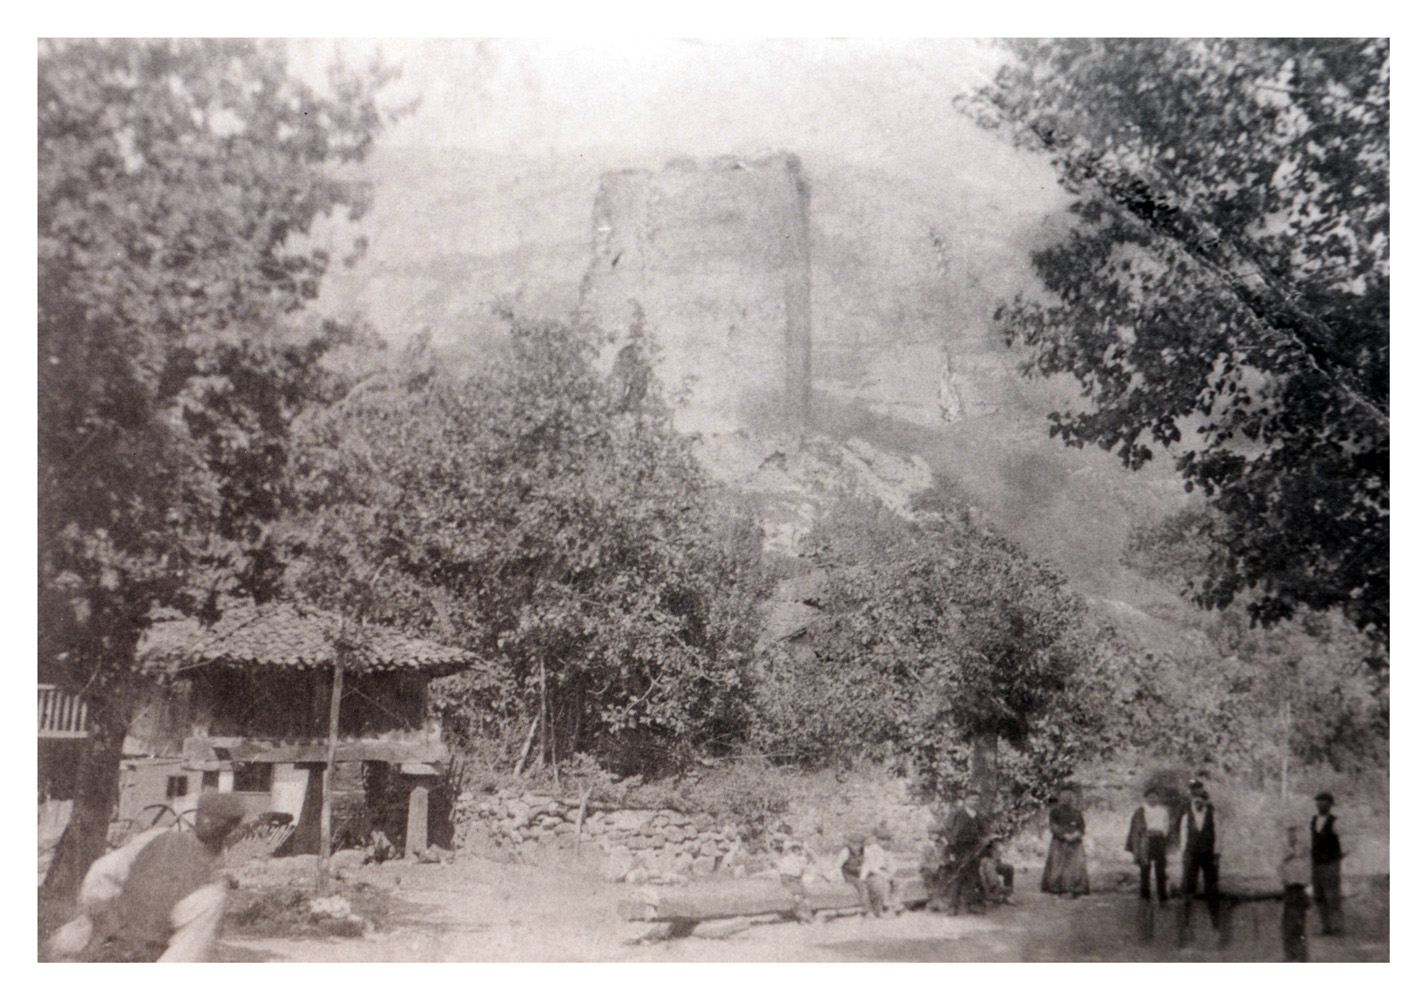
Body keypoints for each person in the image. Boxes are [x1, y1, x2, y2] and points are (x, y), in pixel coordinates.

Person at [49, 791, 247, 962]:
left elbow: (101, 873)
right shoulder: (211, 890)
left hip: (104, 948)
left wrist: (97, 920)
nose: (211, 822)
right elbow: (185, 956)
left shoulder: (156, 837)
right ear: (232, 828)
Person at [1176, 779, 1221, 942]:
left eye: (1200, 794)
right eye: (1194, 794)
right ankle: (1185, 926)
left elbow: (1219, 832)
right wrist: (1184, 854)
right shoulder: (1186, 811)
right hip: (1191, 853)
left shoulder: (1211, 811)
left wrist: (1217, 854)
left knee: (1212, 888)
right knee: (1188, 888)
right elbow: (1182, 833)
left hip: (1209, 854)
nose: (1197, 799)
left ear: (1204, 796)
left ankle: (1215, 925)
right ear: (1191, 796)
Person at [943, 790, 992, 913]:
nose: (976, 802)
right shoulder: (957, 814)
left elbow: (985, 832)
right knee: (957, 875)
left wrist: (983, 842)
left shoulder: (980, 816)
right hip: (957, 849)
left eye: (977, 800)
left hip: (974, 850)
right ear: (966, 800)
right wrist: (952, 848)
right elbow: (947, 831)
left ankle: (971, 904)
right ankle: (952, 906)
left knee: (973, 876)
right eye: (972, 799)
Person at [1126, 788, 1174, 905]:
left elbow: (1167, 825)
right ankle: (1145, 896)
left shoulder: (1163, 811)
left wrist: (1163, 835)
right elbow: (1135, 828)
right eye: (1150, 797)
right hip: (1146, 841)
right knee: (1145, 868)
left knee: (1161, 868)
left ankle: (1162, 896)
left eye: (1155, 796)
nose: (1153, 799)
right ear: (1146, 798)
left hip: (1159, 840)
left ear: (1158, 798)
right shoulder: (1141, 811)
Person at [1041, 788, 1090, 897]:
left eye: (1070, 797)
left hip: (1075, 843)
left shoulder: (1077, 812)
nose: (1068, 800)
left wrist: (1076, 835)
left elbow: (1082, 827)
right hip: (1059, 843)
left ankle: (1075, 888)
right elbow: (1053, 826)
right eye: (1065, 797)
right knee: (1058, 866)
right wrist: (1064, 835)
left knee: (1075, 866)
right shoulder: (1055, 812)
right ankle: (1057, 888)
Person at [1310, 792, 1345, 936]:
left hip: (1330, 864)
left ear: (1330, 805)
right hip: (1315, 863)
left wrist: (1337, 859)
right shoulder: (1313, 821)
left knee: (1332, 895)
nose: (1321, 805)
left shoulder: (1336, 821)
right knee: (1319, 895)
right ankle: (1326, 927)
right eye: (1318, 802)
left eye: (1324, 802)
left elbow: (1346, 843)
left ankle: (1337, 927)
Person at [1280, 822, 1313, 962]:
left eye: (1294, 833)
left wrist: (1307, 890)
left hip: (1299, 890)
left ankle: (1299, 956)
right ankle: (1292, 955)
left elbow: (1307, 874)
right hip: (1290, 890)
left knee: (1297, 925)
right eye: (1289, 833)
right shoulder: (1285, 852)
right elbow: (1281, 870)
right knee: (1288, 925)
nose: (1291, 836)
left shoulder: (1303, 854)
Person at [831, 833, 876, 917]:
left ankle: (876, 906)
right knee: (861, 886)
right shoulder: (845, 852)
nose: (856, 847)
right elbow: (837, 866)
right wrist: (837, 877)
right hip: (848, 874)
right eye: (853, 844)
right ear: (850, 844)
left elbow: (867, 864)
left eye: (858, 844)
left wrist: (863, 876)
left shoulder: (865, 851)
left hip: (860, 873)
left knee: (872, 883)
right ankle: (867, 910)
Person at [860, 825, 898, 916]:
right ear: (877, 840)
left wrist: (891, 872)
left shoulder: (888, 851)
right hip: (872, 873)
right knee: (881, 883)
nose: (884, 843)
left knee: (895, 882)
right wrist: (883, 874)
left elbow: (892, 864)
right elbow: (870, 865)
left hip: (883, 872)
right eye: (882, 840)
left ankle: (895, 904)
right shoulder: (872, 850)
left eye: (886, 840)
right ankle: (885, 906)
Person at [776, 837, 815, 923]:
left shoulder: (801, 858)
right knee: (797, 896)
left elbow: (808, 863)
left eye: (799, 849)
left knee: (806, 896)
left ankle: (807, 915)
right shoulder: (787, 856)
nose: (798, 851)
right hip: (788, 877)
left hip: (796, 878)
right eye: (795, 849)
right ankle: (800, 916)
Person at [979, 838, 1015, 905]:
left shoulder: (994, 839)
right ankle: (994, 890)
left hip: (993, 862)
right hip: (981, 862)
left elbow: (997, 853)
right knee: (988, 867)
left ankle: (1008, 896)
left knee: (1008, 868)